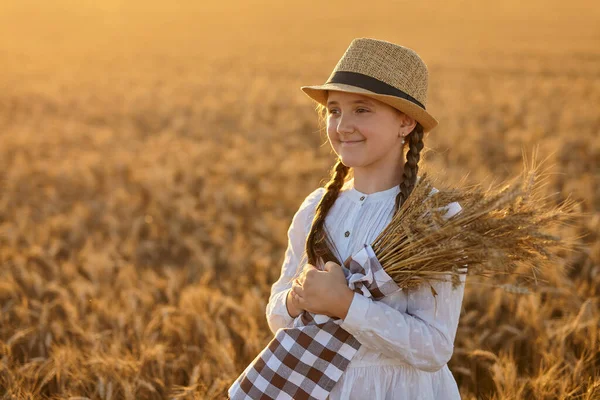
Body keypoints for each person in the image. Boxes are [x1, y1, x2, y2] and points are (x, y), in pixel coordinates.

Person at [267, 38, 465, 399]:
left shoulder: (435, 218)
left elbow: (434, 346)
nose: (342, 126)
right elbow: (277, 314)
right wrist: (297, 298)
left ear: (405, 122)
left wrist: (345, 305)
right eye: (335, 110)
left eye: (362, 110)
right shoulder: (315, 208)